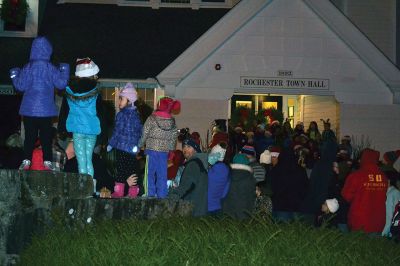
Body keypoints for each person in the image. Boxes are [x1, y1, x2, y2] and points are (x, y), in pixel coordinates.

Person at [9, 36, 70, 171]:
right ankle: (47, 161)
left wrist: (14, 74)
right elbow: (61, 84)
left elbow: (20, 86)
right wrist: (64, 69)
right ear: (48, 50)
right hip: (46, 110)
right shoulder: (51, 68)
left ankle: (26, 160)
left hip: (29, 110)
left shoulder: (28, 67)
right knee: (46, 137)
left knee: (29, 137)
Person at [58, 57, 104, 194]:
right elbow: (101, 114)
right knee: (89, 159)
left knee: (81, 160)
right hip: (92, 130)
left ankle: (83, 189)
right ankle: (92, 188)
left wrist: (62, 129)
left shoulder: (70, 93)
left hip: (77, 130)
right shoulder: (96, 94)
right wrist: (104, 135)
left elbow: (64, 111)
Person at [139, 97, 180, 198]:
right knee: (162, 174)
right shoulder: (172, 122)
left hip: (151, 150)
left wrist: (140, 144)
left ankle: (150, 193)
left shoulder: (151, 118)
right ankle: (162, 194)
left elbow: (144, 133)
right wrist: (171, 151)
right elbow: (173, 138)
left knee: (149, 173)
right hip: (164, 152)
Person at [107, 83, 142, 198]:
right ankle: (119, 191)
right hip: (122, 148)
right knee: (121, 170)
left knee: (131, 170)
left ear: (129, 100)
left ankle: (132, 192)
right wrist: (111, 143)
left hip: (129, 149)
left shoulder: (135, 116)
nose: (119, 101)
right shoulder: (121, 115)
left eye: (121, 99)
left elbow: (139, 132)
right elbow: (117, 131)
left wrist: (138, 145)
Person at [342, 148, 388, 234]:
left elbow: (346, 196)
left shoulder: (356, 175)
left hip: (359, 222)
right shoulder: (383, 177)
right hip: (378, 222)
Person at [169, 138, 208, 217]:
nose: (185, 149)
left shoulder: (193, 164)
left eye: (189, 147)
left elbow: (186, 186)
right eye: (184, 147)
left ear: (196, 150)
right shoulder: (200, 162)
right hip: (199, 209)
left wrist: (172, 196)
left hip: (192, 209)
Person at [270, 148, 308, 222]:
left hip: (281, 205)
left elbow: (272, 187)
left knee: (282, 230)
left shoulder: (276, 170)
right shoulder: (301, 170)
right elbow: (305, 187)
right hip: (297, 205)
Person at [222, 153, 256, 220]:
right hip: (244, 213)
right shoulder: (249, 178)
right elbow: (251, 197)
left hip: (228, 213)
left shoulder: (226, 176)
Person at [207, 143, 230, 216]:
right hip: (219, 206)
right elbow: (225, 191)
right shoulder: (227, 170)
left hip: (207, 206)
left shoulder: (209, 171)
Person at [382, 172, 400, 237]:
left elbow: (389, 216)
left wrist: (384, 234)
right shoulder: (396, 192)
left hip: (390, 232)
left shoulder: (390, 194)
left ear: (388, 181)